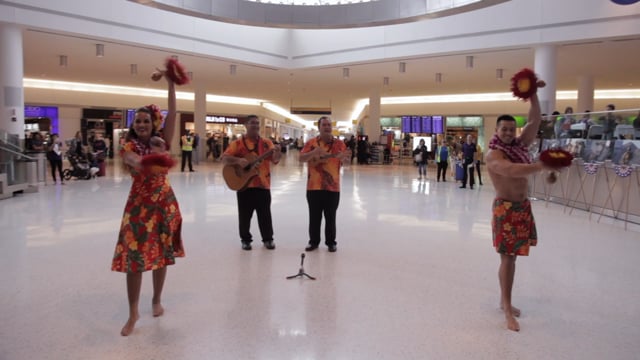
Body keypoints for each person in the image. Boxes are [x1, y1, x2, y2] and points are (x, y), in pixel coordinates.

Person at [111, 75, 184, 336]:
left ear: (153, 123)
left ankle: (156, 300)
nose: (141, 124)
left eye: (146, 120)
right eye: (137, 121)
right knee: (134, 260)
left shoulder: (163, 138)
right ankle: (133, 313)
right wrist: (154, 157)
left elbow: (173, 112)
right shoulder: (127, 145)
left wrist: (171, 82)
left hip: (164, 204)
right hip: (139, 207)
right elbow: (133, 160)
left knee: (162, 254)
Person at [485, 78, 555, 332]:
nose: (507, 132)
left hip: (522, 208)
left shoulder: (519, 145)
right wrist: (541, 165)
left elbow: (535, 120)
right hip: (505, 209)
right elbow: (511, 171)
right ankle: (506, 307)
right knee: (508, 259)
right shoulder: (494, 154)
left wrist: (533, 94)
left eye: (511, 129)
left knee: (511, 259)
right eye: (503, 129)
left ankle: (505, 301)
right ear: (496, 131)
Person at [221, 115, 282, 251]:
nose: (255, 125)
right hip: (244, 185)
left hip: (263, 184)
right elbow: (224, 158)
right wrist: (238, 161)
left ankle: (268, 239)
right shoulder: (238, 143)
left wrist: (278, 152)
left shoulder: (266, 143)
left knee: (265, 214)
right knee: (244, 215)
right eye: (252, 123)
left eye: (257, 123)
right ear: (246, 125)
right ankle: (245, 239)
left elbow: (275, 160)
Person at [299, 116, 351, 252]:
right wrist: (313, 152)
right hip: (313, 186)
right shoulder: (311, 143)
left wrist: (344, 158)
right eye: (324, 125)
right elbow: (301, 158)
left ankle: (331, 242)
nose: (327, 127)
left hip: (332, 187)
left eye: (329, 125)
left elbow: (347, 163)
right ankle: (313, 242)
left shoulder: (339, 144)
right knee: (314, 216)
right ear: (319, 127)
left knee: (330, 216)